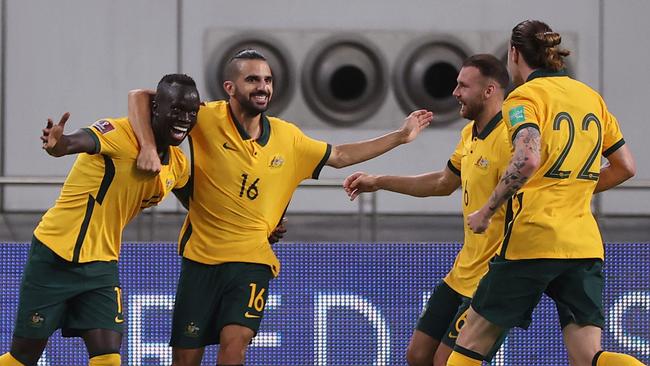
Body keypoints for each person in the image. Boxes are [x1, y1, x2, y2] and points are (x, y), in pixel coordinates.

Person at [127, 48, 433, 366]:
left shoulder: (289, 139)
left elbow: (340, 155)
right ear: (229, 88)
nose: (263, 86)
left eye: (267, 80)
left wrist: (399, 136)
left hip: (251, 263)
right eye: (252, 79)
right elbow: (140, 96)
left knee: (235, 346)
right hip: (200, 262)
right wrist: (148, 146)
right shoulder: (205, 117)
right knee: (185, 360)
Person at [446, 20, 642, 366]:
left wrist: (488, 209)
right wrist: (570, 187)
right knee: (588, 356)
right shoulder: (589, 97)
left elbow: (527, 158)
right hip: (583, 244)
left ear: (514, 53)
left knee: (467, 346)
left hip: (532, 241)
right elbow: (625, 166)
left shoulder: (524, 97)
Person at [0, 74, 201, 366]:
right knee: (23, 358)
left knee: (108, 356)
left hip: (101, 265)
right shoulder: (117, 134)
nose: (184, 119)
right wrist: (57, 144)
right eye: (176, 110)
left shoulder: (178, 165)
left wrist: (264, 221)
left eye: (191, 113)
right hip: (54, 254)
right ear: (155, 108)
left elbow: (202, 203)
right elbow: (71, 143)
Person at [343, 54, 510, 366]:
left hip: (492, 279)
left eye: (463, 85)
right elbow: (443, 183)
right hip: (461, 272)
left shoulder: (514, 138)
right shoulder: (470, 134)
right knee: (418, 355)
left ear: (489, 91)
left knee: (448, 362)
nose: (455, 92)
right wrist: (377, 181)